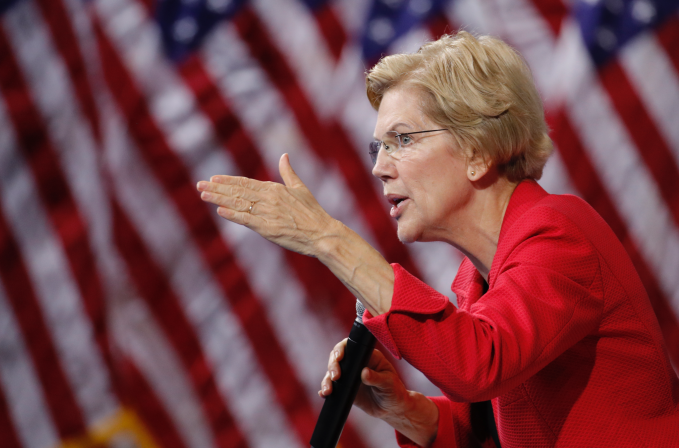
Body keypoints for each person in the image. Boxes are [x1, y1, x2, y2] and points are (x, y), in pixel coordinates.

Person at [196, 31, 679, 447]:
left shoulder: (557, 233)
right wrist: (404, 409)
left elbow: (480, 362)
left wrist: (326, 237)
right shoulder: (479, 278)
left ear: (477, 150)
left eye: (402, 140)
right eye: (377, 146)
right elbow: (497, 431)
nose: (378, 167)